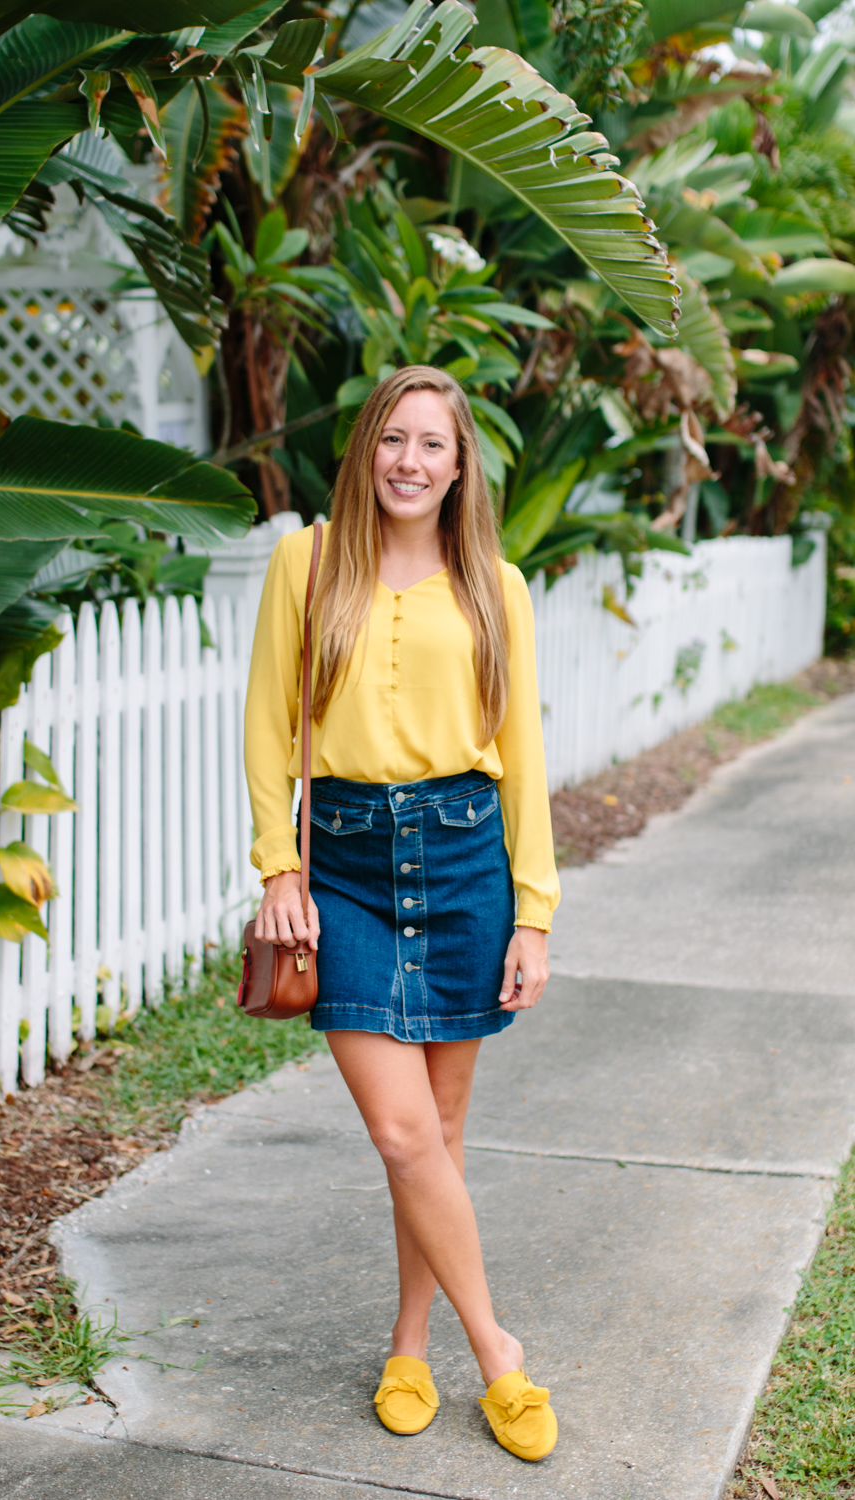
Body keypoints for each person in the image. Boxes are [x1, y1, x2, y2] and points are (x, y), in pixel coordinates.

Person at [243, 365, 561, 1463]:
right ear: (365, 448)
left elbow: (523, 761)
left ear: (460, 464)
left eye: (432, 444)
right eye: (392, 438)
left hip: (467, 857)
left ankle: (409, 1344)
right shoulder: (308, 560)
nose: (409, 462)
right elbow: (266, 723)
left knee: (438, 1138)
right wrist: (278, 867)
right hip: (345, 869)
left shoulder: (494, 587)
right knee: (400, 1129)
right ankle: (500, 1354)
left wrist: (535, 913)